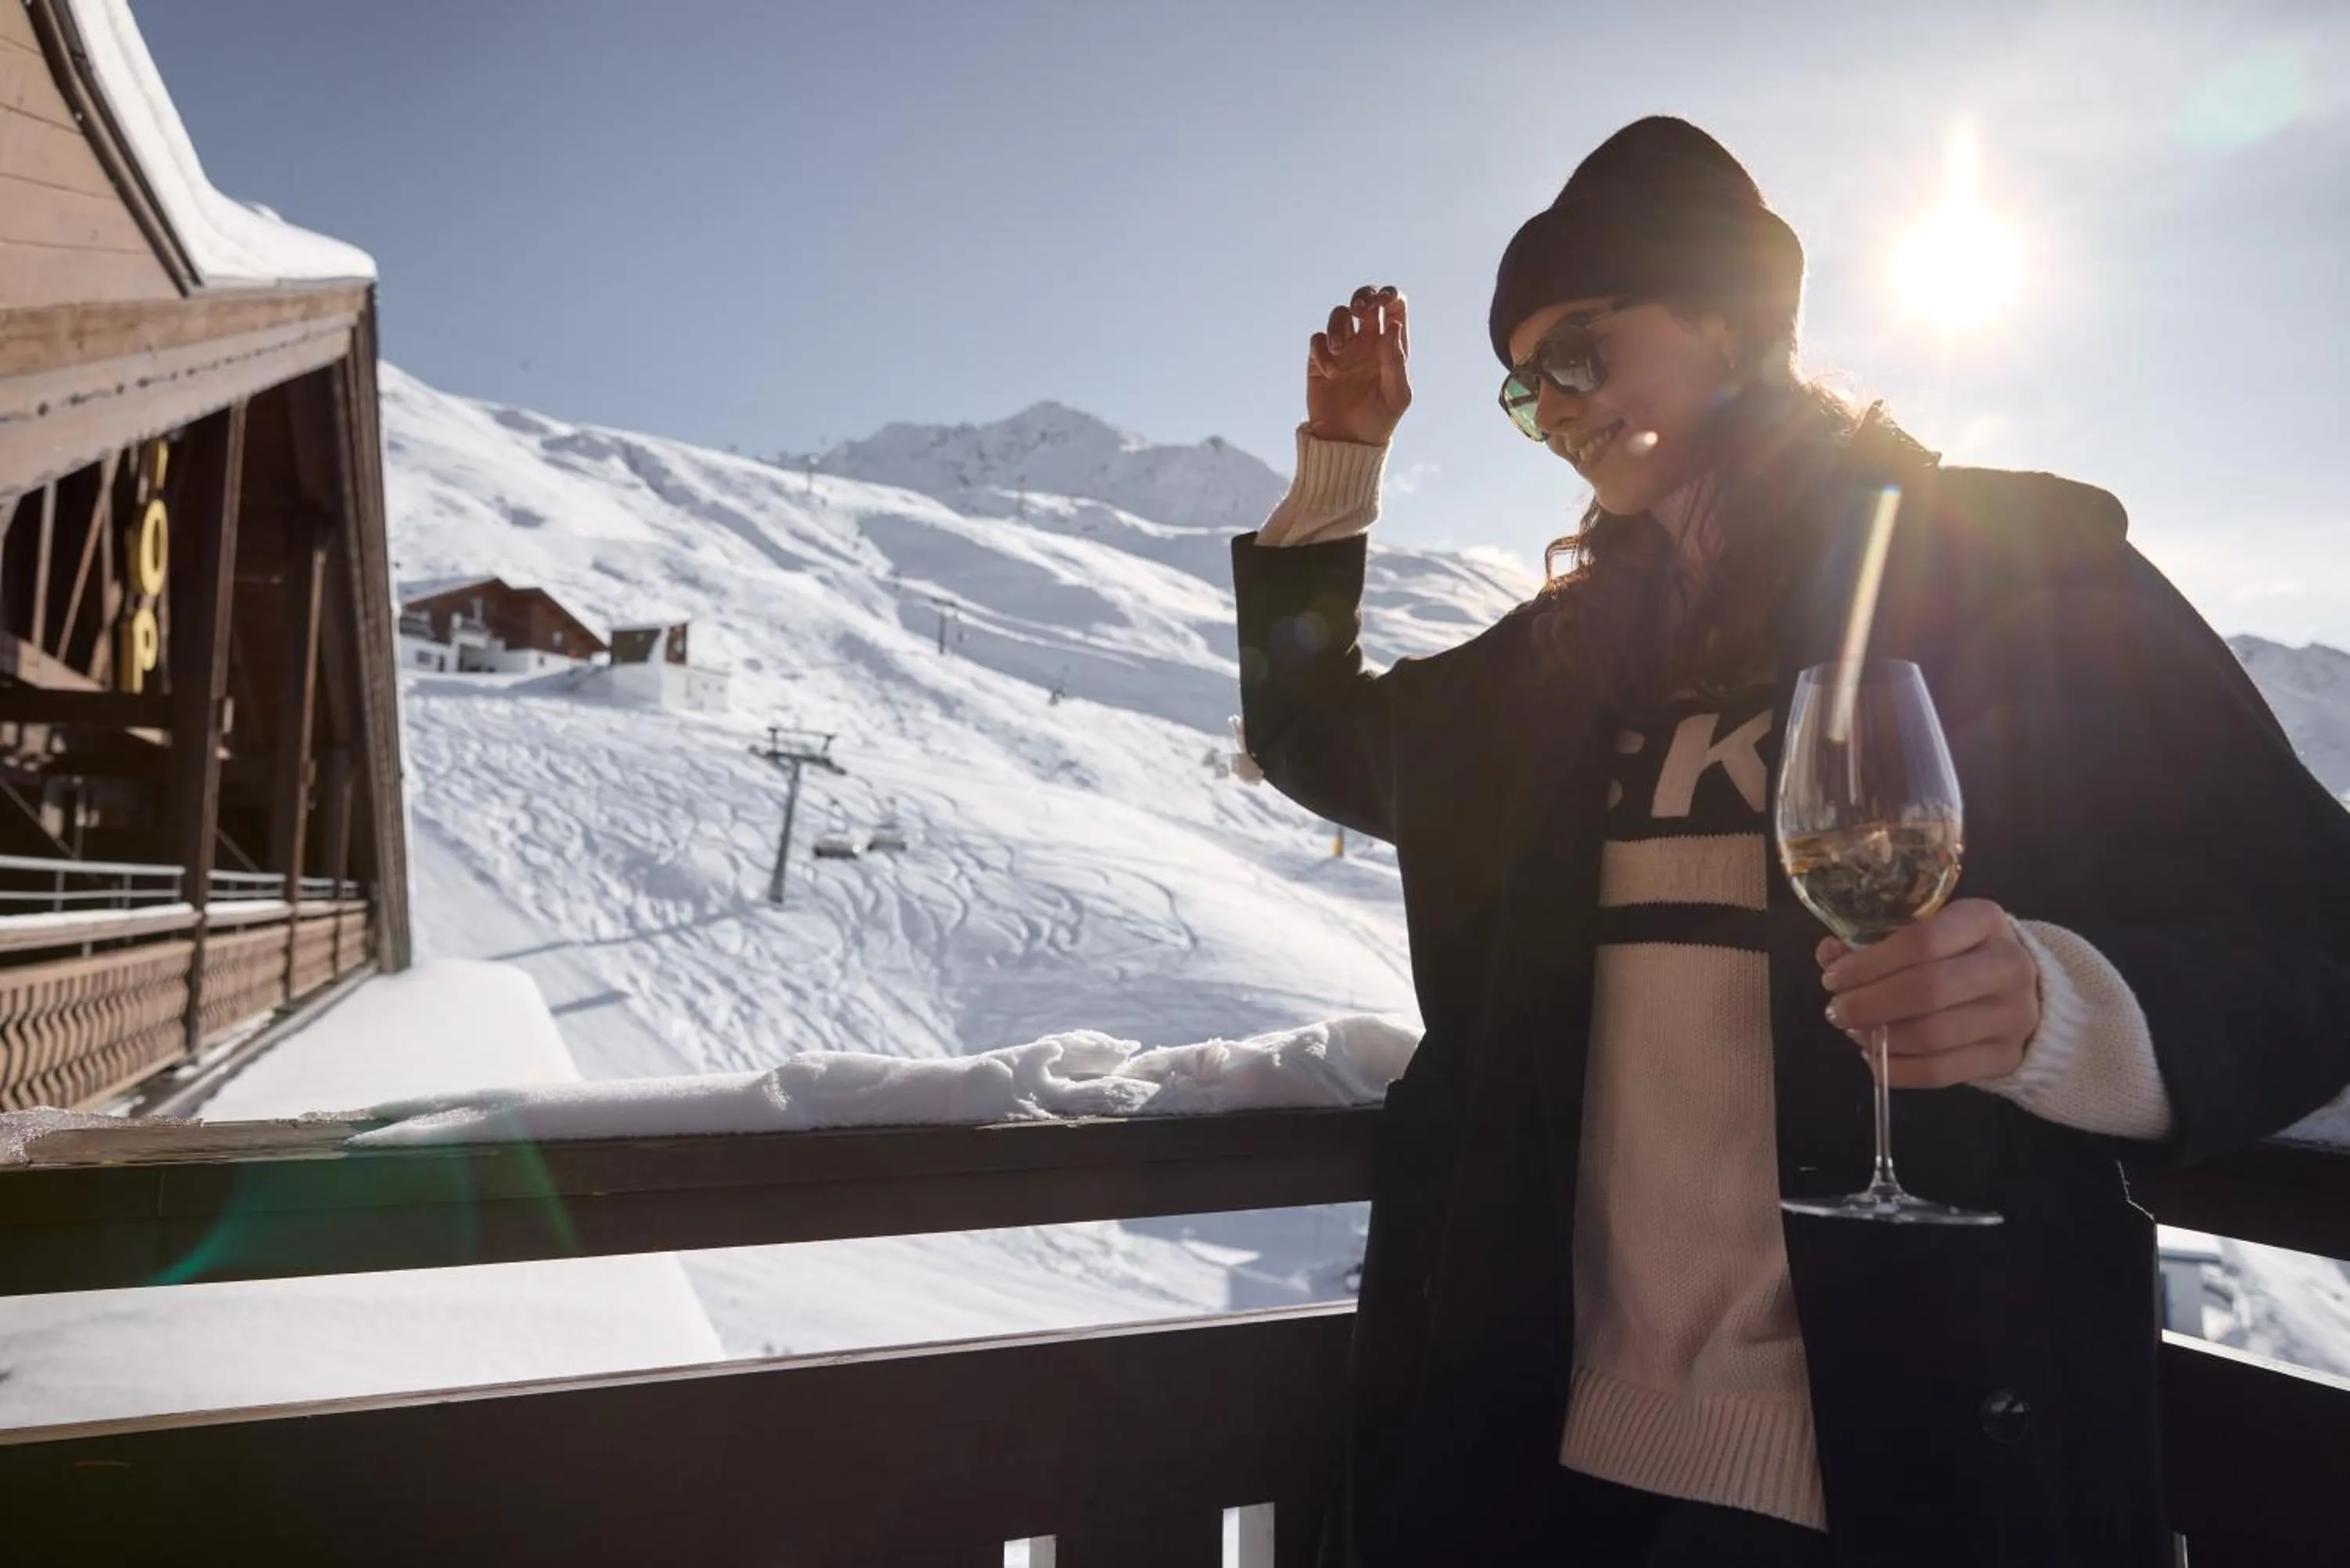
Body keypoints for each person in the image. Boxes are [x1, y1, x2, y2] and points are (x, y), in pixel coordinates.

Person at [1231, 117, 2350, 1567]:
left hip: (1906, 1467)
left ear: (1733, 321)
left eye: (1581, 350)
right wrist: (1341, 464)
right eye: (1523, 386)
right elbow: (1316, 736)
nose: (1555, 406)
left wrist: (2067, 1010)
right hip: (1559, 1459)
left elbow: (2310, 919)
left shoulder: (2011, 575)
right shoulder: (1565, 666)